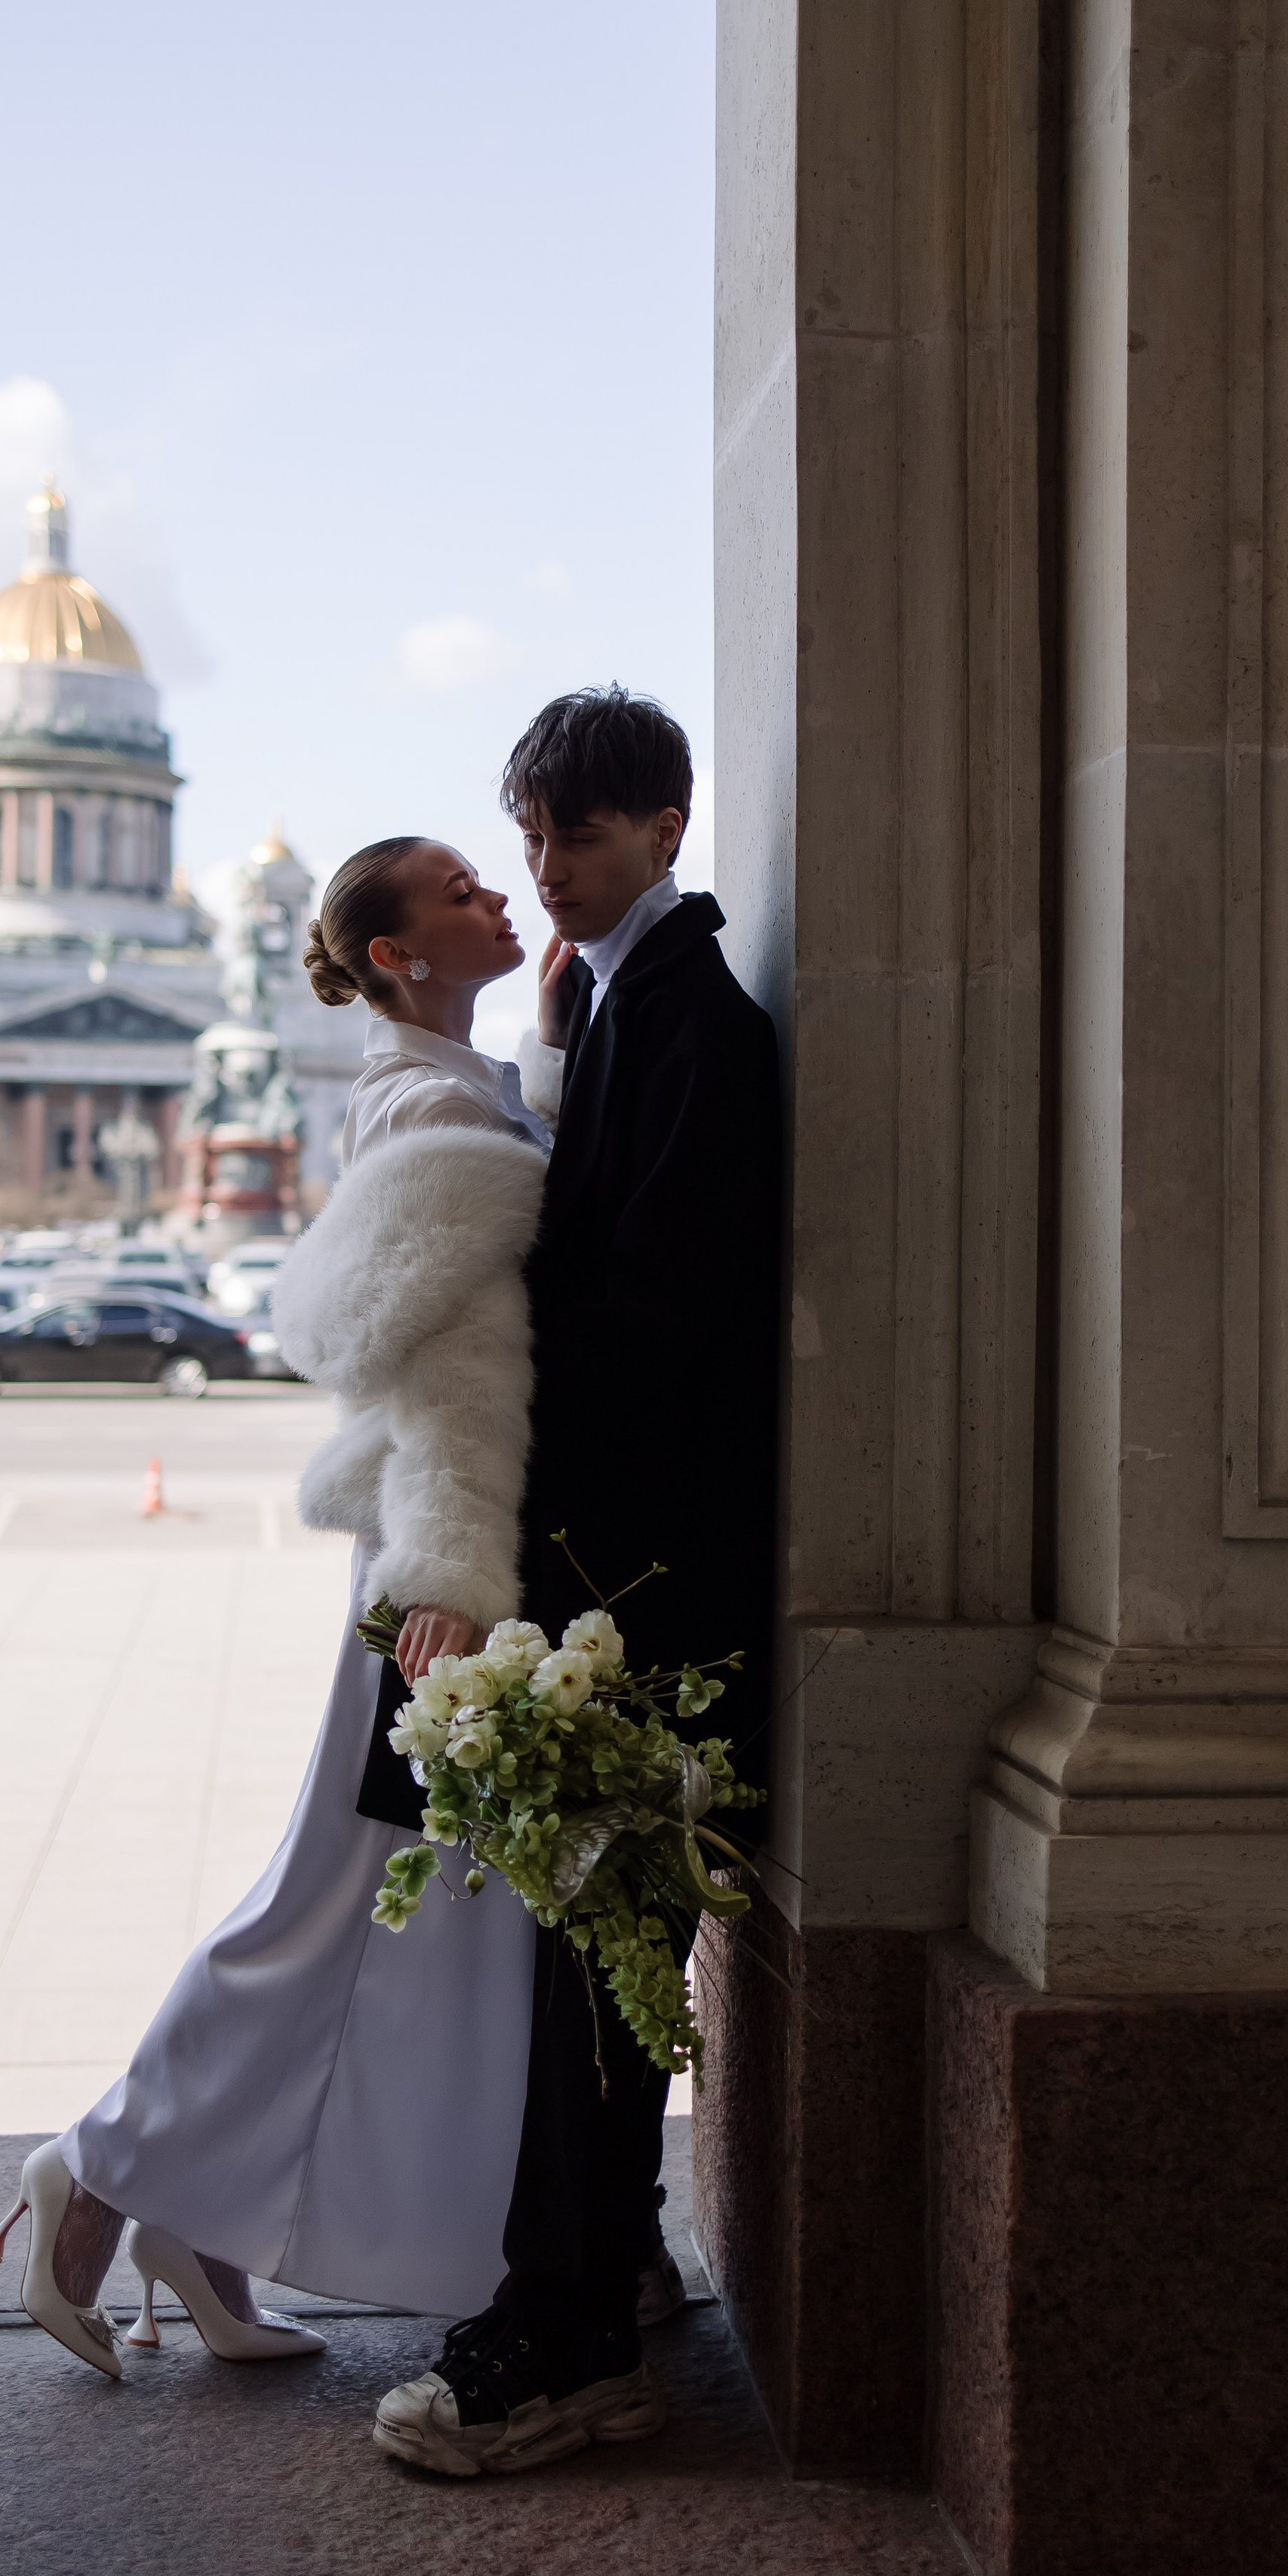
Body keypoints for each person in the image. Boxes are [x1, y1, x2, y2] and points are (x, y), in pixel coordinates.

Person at [0, 837, 555, 2379]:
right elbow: (458, 1381)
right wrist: (444, 1588)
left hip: (437, 1554)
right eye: (458, 893)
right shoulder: (431, 1102)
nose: (499, 899)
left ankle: (201, 2228)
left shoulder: (445, 1078)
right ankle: (96, 2179)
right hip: (442, 1564)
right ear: (389, 955)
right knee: (333, 1901)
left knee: (362, 1904)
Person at [373, 687, 782, 2479]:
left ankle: (567, 2334)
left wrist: (482, 1319)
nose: (546, 866)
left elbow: (653, 1328)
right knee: (586, 1956)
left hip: (644, 1583)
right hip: (613, 1572)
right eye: (529, 832)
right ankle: (587, 2278)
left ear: (666, 829)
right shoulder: (618, 1005)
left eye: (581, 835)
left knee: (599, 1957)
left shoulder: (694, 1023)